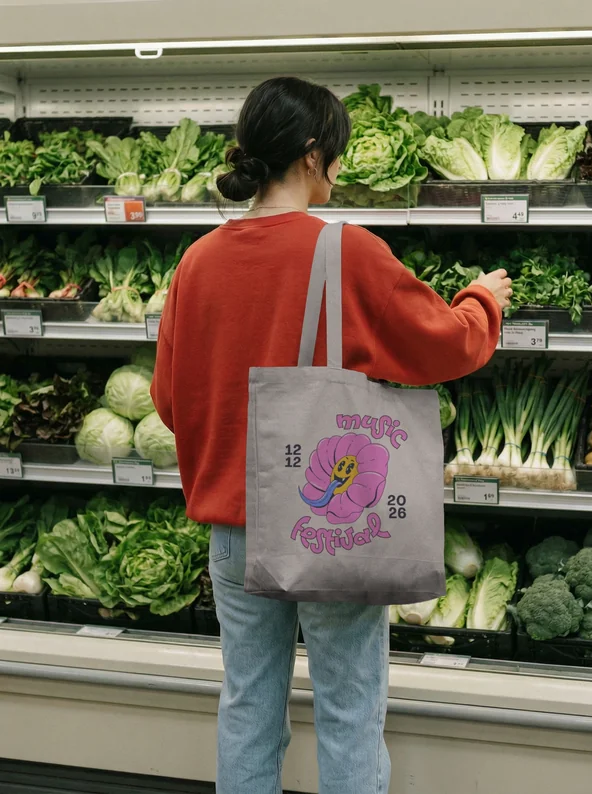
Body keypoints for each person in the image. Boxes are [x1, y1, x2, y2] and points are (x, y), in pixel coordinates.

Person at [151, 76, 511, 794]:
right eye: (337, 153)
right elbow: (443, 346)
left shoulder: (199, 260)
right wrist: (481, 302)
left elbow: (168, 400)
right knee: (349, 709)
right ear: (313, 156)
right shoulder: (344, 250)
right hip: (329, 520)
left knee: (248, 704)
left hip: (233, 532)